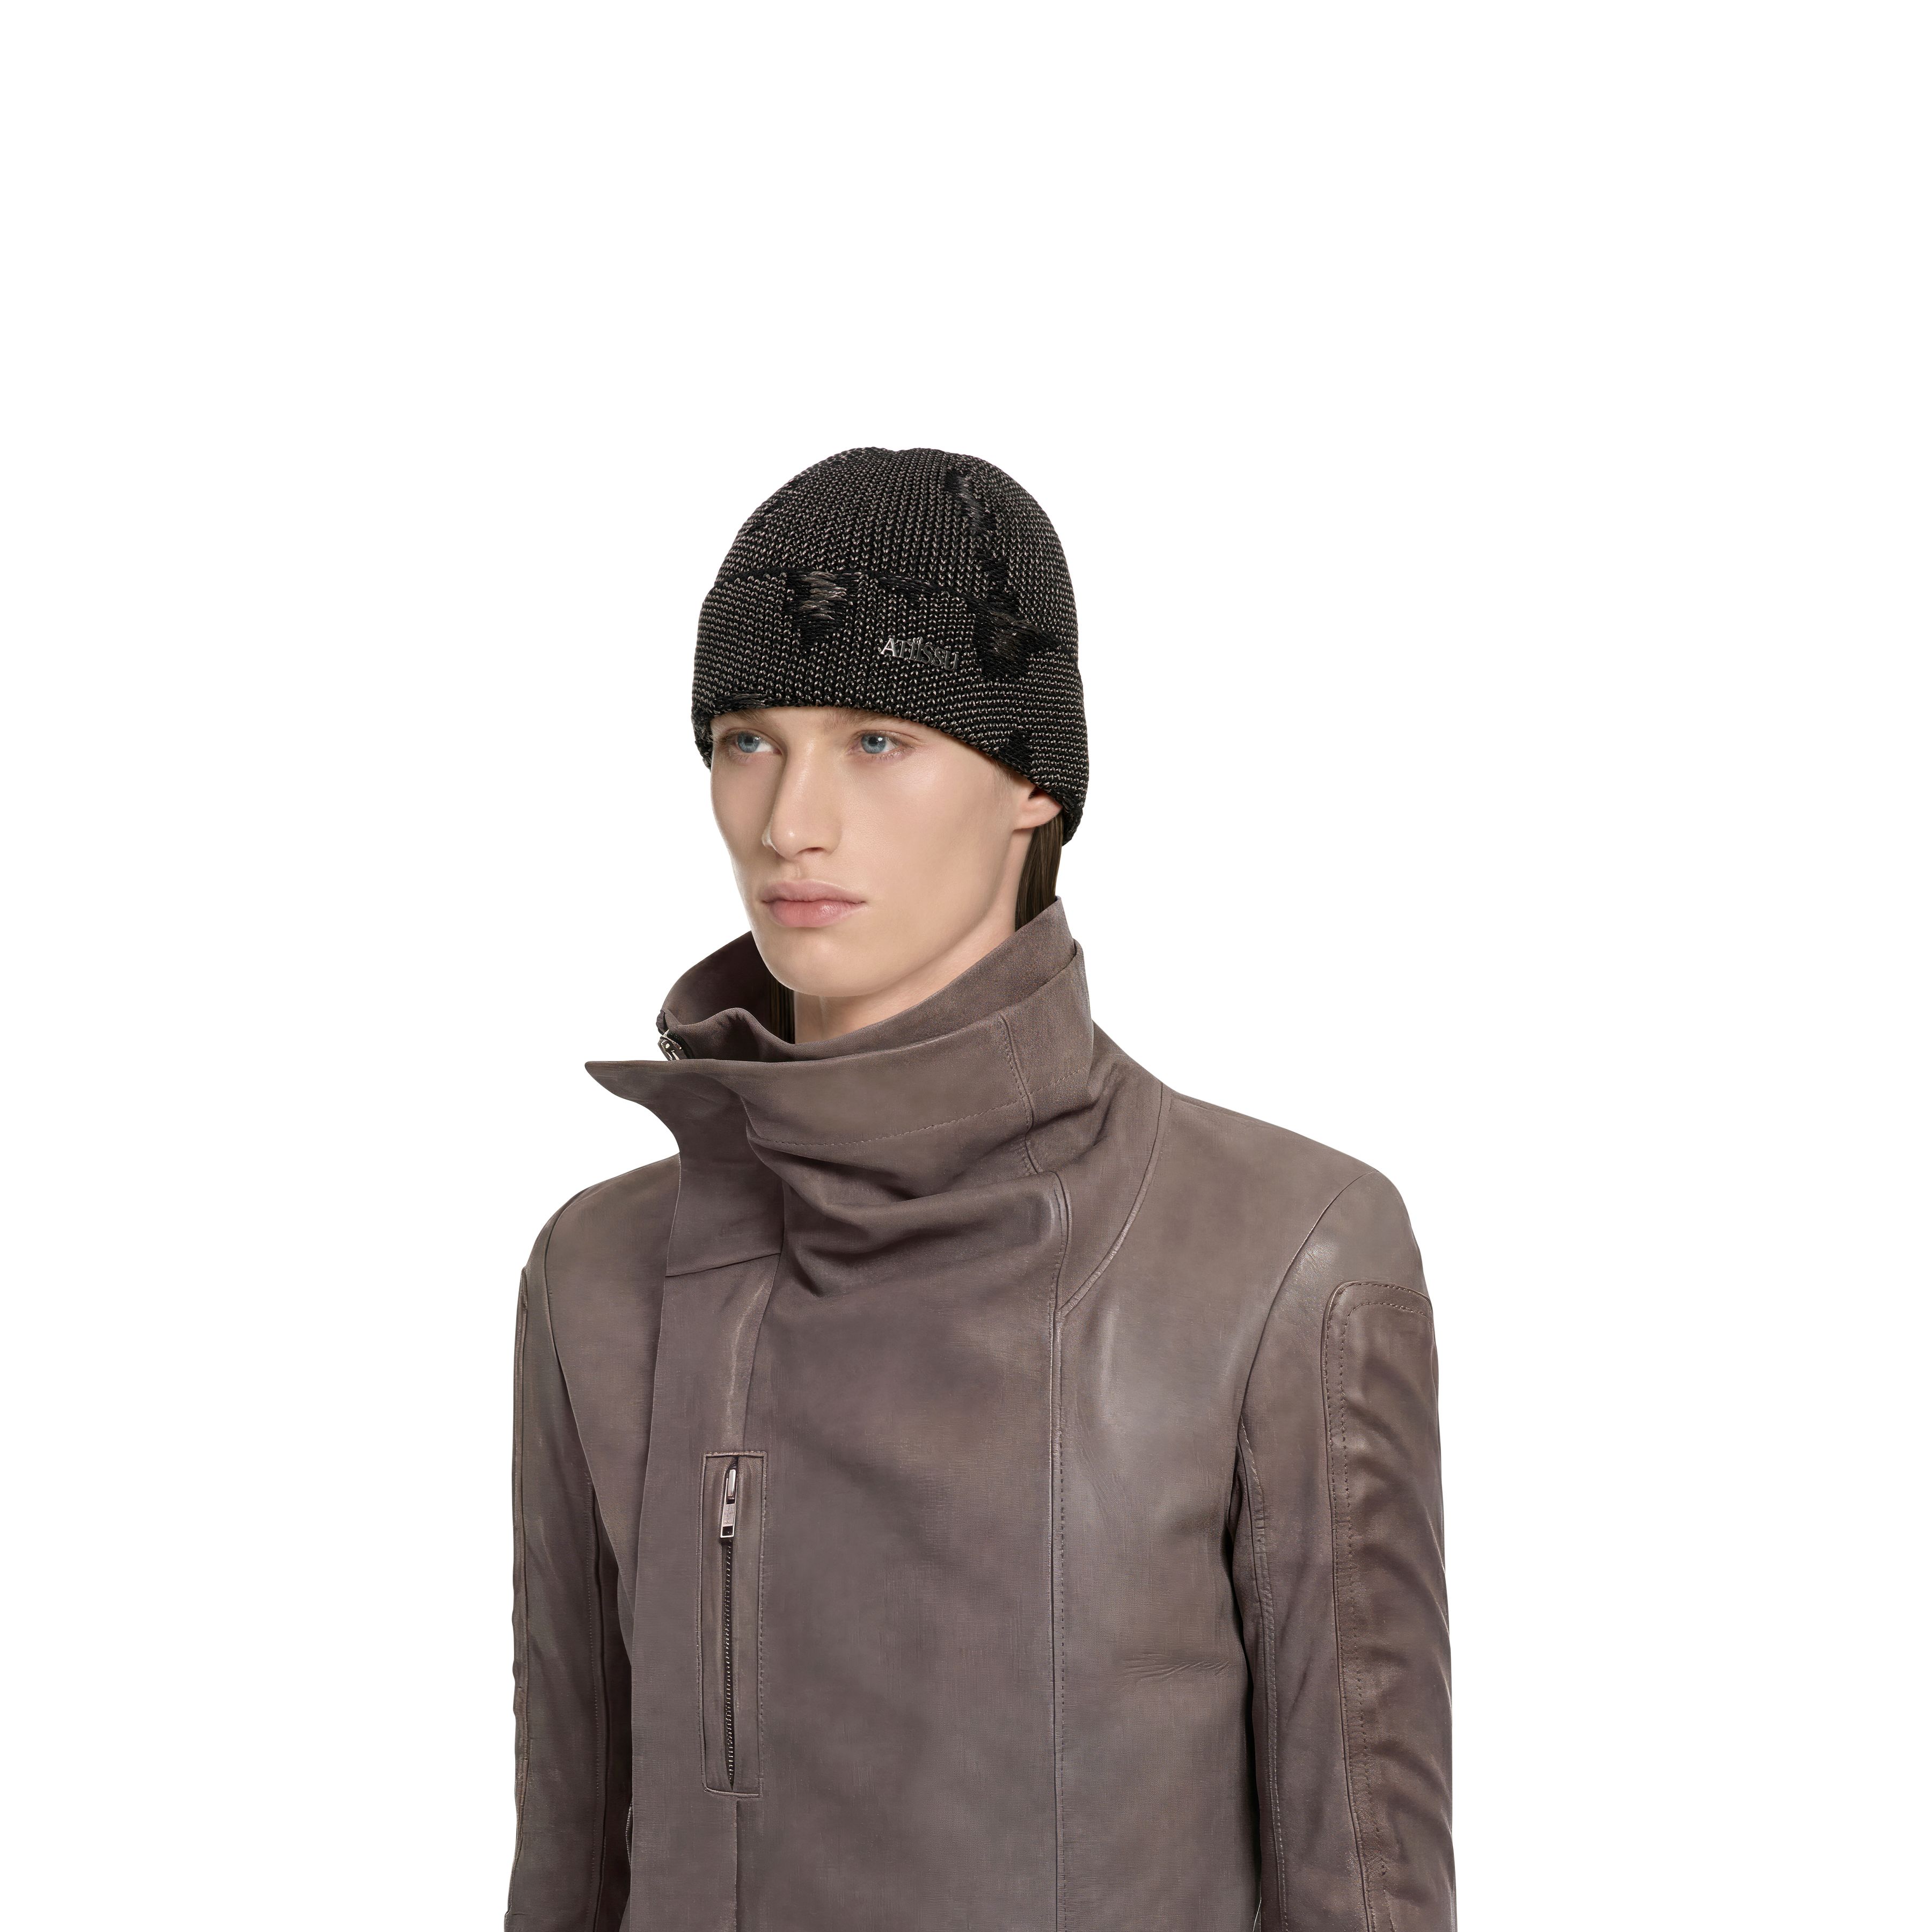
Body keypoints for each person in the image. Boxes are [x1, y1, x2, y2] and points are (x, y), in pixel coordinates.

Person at [504, 447, 1453, 1932]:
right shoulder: (602, 1272)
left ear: (1031, 784)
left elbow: (1369, 1895)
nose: (790, 820)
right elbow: (568, 1867)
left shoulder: (1285, 1256)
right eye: (747, 740)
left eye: (877, 739)